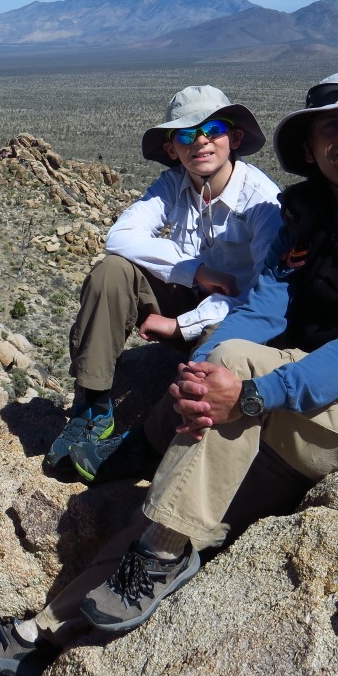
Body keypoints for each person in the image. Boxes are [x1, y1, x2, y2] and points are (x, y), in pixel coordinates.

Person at [0, 72, 338, 676]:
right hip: (323, 416)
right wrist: (201, 375)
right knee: (172, 504)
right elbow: (263, 312)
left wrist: (250, 393)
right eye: (330, 126)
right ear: (309, 149)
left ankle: (152, 515)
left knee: (223, 390)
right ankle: (37, 634)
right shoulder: (304, 222)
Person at [47, 85, 282, 481]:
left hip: (231, 321)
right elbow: (120, 236)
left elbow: (263, 295)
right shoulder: (174, 183)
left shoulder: (262, 202)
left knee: (223, 340)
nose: (201, 142)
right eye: (187, 135)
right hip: (187, 297)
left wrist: (179, 325)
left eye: (214, 129)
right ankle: (94, 404)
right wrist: (196, 271)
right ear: (173, 148)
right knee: (112, 271)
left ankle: (151, 445)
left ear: (235, 137)